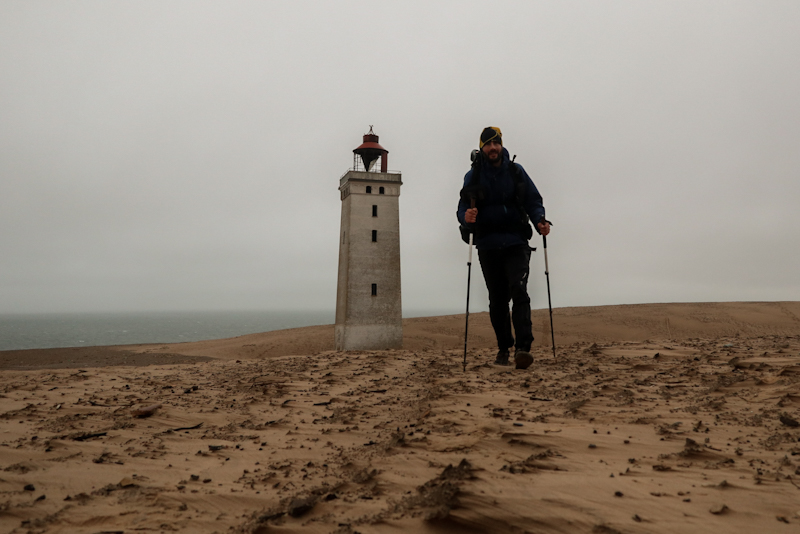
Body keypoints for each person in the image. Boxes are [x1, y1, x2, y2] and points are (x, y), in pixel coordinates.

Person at [456, 127, 551, 369]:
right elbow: (462, 207)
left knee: (519, 290)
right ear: (482, 148)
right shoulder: (473, 176)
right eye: (488, 144)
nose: (493, 148)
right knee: (497, 300)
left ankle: (523, 348)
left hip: (516, 241)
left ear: (501, 145)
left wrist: (540, 219)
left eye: (496, 143)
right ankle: (503, 348)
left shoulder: (515, 171)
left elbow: (532, 199)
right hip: (487, 244)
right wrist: (466, 216)